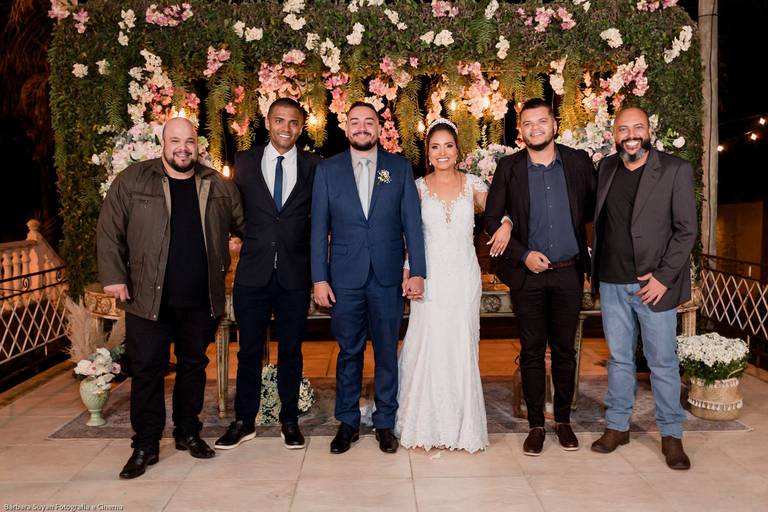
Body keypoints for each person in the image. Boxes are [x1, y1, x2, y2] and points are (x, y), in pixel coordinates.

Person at [97, 117, 245, 479]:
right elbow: (109, 230)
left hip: (201, 297)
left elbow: (244, 225)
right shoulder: (134, 180)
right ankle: (145, 444)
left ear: (198, 145)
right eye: (175, 141)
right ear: (163, 145)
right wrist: (114, 277)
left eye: (189, 141)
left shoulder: (217, 184)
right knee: (147, 369)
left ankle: (187, 431)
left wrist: (244, 241)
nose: (183, 148)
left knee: (193, 366)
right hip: (148, 297)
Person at [310, 101, 426, 454]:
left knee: (387, 351)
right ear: (346, 128)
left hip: (387, 276)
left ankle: (385, 422)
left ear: (379, 128)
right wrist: (319, 278)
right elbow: (318, 228)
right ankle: (347, 421)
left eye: (369, 122)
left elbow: (412, 224)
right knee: (349, 351)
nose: (362, 127)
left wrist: (417, 271)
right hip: (344, 277)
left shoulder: (399, 167)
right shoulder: (327, 170)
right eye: (355, 122)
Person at [485, 98, 596, 456]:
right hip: (528, 275)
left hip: (568, 273)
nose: (535, 128)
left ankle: (562, 421)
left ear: (554, 124)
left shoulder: (577, 162)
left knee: (565, 351)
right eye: (528, 123)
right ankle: (535, 424)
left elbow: (598, 209)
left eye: (541, 121)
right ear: (520, 130)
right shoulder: (509, 168)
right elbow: (491, 218)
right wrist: (522, 253)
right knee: (532, 351)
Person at [395, 119, 511, 453]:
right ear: (427, 153)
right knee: (426, 342)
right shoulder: (417, 187)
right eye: (435, 147)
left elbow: (497, 212)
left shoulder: (473, 183)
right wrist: (408, 271)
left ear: (457, 150)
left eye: (448, 145)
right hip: (429, 278)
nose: (442, 152)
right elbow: (409, 237)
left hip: (463, 276)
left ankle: (461, 424)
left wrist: (506, 224)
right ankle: (423, 422)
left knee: (461, 343)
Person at [590, 107, 696, 470]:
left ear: (649, 131)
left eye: (638, 128)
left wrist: (663, 278)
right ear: (614, 134)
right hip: (611, 281)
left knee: (662, 362)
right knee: (619, 359)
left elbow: (686, 231)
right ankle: (617, 426)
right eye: (624, 129)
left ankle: (671, 435)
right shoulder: (606, 168)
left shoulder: (675, 170)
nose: (631, 135)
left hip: (653, 286)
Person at [214, 98, 321, 451]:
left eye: (293, 122)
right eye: (279, 120)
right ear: (267, 122)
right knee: (248, 350)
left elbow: (320, 217)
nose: (285, 128)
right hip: (253, 272)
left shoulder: (314, 166)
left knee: (291, 350)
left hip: (294, 273)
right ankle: (244, 421)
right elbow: (232, 210)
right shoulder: (244, 162)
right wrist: (236, 236)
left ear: (301, 127)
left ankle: (290, 420)